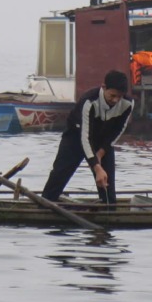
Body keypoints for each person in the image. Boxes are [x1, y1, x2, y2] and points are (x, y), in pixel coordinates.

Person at [41, 70, 133, 204]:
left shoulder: (128, 104)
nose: (115, 100)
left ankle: (107, 208)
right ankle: (46, 203)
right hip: (75, 137)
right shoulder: (89, 101)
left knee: (107, 188)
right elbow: (85, 137)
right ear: (103, 87)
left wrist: (100, 154)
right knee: (60, 173)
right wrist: (96, 166)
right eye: (112, 95)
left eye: (119, 96)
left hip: (103, 142)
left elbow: (117, 132)